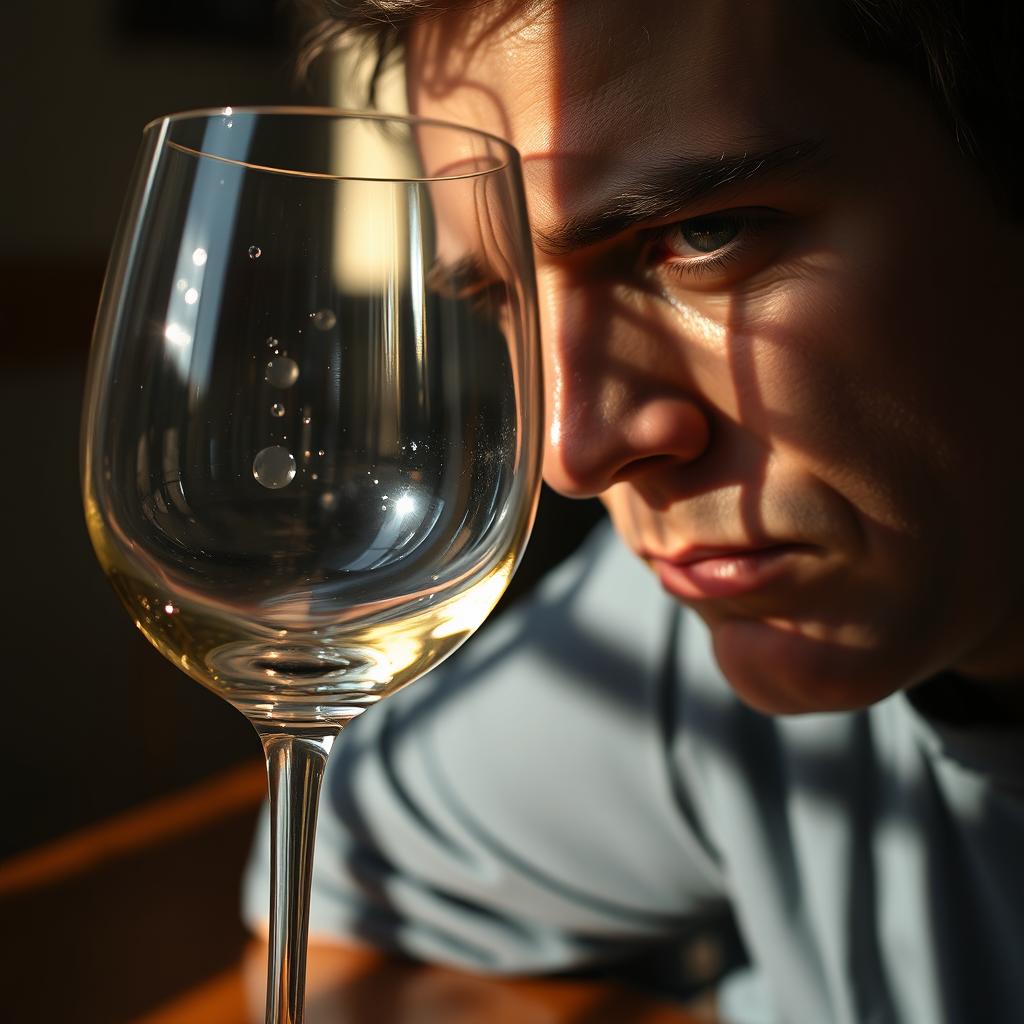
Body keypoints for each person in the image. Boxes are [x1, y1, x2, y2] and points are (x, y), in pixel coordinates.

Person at [245, 2, 1024, 1020]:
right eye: (506, 296)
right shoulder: (695, 635)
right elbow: (348, 870)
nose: (571, 450)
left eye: (703, 235)